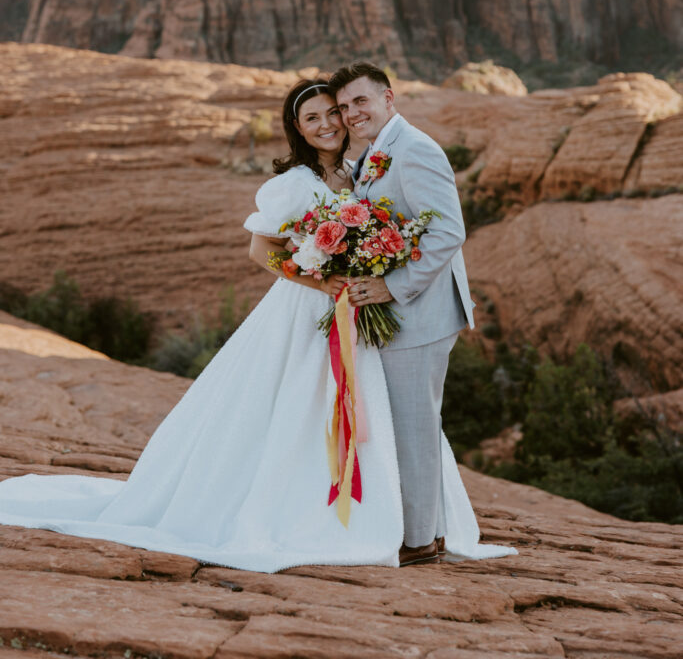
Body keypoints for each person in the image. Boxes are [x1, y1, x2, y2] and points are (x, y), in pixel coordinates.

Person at [0, 78, 515, 571]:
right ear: (298, 129)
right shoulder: (294, 184)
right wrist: (321, 284)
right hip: (309, 310)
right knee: (301, 408)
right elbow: (260, 250)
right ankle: (314, 515)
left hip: (356, 311)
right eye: (311, 118)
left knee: (376, 412)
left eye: (332, 112)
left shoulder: (362, 169)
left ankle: (402, 523)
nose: (327, 123)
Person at [329, 62, 476, 566]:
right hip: (407, 316)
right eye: (344, 107)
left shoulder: (415, 148)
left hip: (422, 314)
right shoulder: (375, 152)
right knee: (413, 423)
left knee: (413, 425)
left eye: (360, 102)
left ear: (388, 98)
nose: (351, 114)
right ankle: (425, 532)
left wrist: (391, 288)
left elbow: (448, 231)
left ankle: (418, 544)